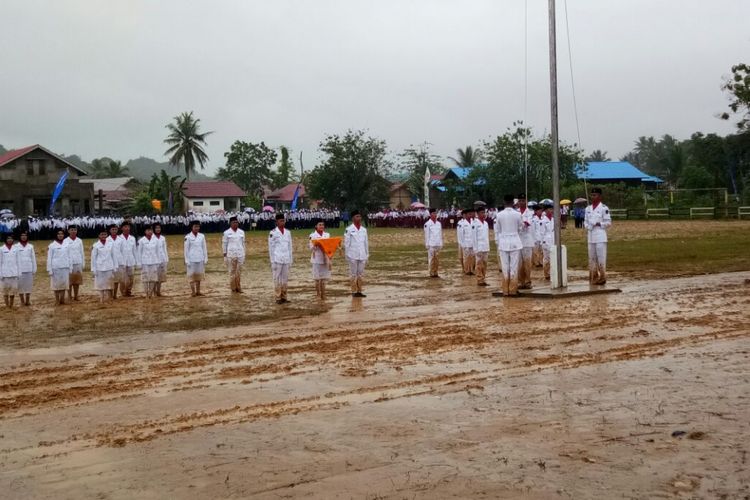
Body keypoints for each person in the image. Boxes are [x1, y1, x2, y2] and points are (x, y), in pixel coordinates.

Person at [495, 194, 524, 296]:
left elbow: (498, 230)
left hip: (503, 242)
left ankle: (505, 290)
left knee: (505, 266)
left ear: (504, 202)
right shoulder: (517, 214)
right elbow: (520, 228)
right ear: (513, 202)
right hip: (515, 241)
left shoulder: (499, 215)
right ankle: (513, 289)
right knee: (514, 266)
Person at [584, 187, 612, 285]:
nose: (593, 197)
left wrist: (598, 223)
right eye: (592, 195)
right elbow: (585, 222)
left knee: (601, 257)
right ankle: (593, 276)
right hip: (591, 236)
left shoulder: (604, 208)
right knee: (591, 257)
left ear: (599, 196)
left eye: (595, 195)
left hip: (600, 236)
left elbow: (608, 222)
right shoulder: (588, 209)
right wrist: (589, 226)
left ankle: (603, 276)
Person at [269, 213, 293, 304]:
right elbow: (271, 248)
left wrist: (291, 259)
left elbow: (290, 247)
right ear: (276, 222)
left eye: (283, 220)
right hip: (277, 259)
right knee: (277, 278)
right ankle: (278, 297)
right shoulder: (273, 233)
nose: (283, 222)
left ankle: (284, 296)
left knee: (285, 279)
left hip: (286, 258)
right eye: (281, 221)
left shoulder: (288, 232)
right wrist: (272, 261)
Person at [344, 210, 369, 297]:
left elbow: (366, 243)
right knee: (353, 273)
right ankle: (354, 291)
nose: (359, 218)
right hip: (352, 255)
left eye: (359, 216)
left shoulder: (364, 229)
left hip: (362, 254)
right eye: (357, 216)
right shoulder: (349, 229)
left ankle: (359, 291)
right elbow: (347, 243)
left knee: (360, 273)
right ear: (353, 218)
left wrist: (367, 255)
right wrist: (347, 255)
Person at [91, 229, 118, 302]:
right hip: (99, 267)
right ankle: (101, 298)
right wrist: (93, 269)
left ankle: (107, 298)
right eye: (101, 234)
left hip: (109, 266)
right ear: (99, 236)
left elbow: (113, 256)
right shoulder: (95, 245)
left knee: (108, 283)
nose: (103, 236)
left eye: (105, 234)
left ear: (107, 235)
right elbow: (93, 258)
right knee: (101, 283)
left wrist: (115, 267)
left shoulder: (111, 244)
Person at [47, 229, 72, 305]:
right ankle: (57, 300)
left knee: (64, 284)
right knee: (56, 285)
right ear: (56, 235)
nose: (60, 235)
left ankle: (62, 299)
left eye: (61, 234)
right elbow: (49, 258)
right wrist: (50, 269)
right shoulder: (52, 245)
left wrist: (70, 267)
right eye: (58, 234)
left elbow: (70, 257)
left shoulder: (67, 244)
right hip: (56, 268)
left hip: (65, 267)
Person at [184, 220, 208, 297]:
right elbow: (186, 250)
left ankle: (198, 291)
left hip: (200, 258)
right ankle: (193, 292)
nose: (197, 228)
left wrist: (205, 257)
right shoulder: (187, 237)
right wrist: (186, 260)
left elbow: (204, 247)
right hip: (191, 259)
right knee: (191, 276)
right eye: (195, 226)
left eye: (198, 226)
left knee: (198, 275)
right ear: (192, 227)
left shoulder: (202, 236)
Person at [222, 216, 246, 293]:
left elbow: (243, 243)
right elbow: (224, 244)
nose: (235, 224)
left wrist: (244, 253)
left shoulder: (241, 232)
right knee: (232, 272)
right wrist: (224, 255)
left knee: (238, 272)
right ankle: (233, 288)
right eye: (234, 222)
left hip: (240, 254)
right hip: (231, 255)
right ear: (230, 223)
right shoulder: (226, 233)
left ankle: (238, 287)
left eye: (236, 222)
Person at [138, 225, 163, 299]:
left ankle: (150, 293)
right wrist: (139, 263)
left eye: (151, 230)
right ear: (145, 232)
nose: (150, 232)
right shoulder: (141, 240)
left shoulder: (156, 240)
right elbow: (139, 252)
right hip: (144, 262)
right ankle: (146, 293)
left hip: (154, 261)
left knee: (153, 278)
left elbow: (158, 252)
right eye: (148, 230)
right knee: (145, 278)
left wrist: (158, 261)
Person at [308, 220, 331, 300]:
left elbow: (329, 246)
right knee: (317, 278)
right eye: (320, 225)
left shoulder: (327, 235)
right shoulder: (312, 235)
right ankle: (318, 294)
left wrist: (329, 257)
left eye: (323, 225)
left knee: (324, 278)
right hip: (316, 258)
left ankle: (324, 294)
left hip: (325, 258)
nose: (321, 226)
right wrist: (316, 244)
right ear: (316, 226)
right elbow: (310, 248)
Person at [517, 194, 535, 289]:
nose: (521, 202)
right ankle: (520, 282)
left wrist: (522, 224)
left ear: (526, 202)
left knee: (527, 262)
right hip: (518, 240)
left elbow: (528, 223)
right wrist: (521, 224)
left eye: (523, 200)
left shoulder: (530, 212)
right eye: (520, 201)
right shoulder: (515, 212)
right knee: (519, 263)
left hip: (527, 240)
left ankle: (528, 281)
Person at [63, 224, 85, 301]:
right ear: (68, 231)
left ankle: (76, 296)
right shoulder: (65, 241)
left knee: (77, 281)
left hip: (78, 262)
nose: (73, 231)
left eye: (75, 230)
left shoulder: (79, 240)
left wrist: (83, 263)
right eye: (71, 230)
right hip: (69, 263)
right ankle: (69, 296)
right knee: (69, 281)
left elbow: (82, 252)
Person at [15, 230, 36, 306]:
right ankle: (22, 301)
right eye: (22, 235)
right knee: (20, 285)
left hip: (29, 268)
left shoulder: (30, 246)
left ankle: (28, 300)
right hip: (20, 269)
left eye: (25, 235)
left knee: (28, 285)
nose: (24, 237)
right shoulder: (16, 247)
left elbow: (33, 258)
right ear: (20, 237)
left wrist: (34, 269)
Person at [118, 222, 138, 297]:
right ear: (122, 228)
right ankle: (123, 292)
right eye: (125, 227)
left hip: (131, 260)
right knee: (122, 279)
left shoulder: (132, 238)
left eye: (128, 227)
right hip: (122, 261)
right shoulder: (119, 238)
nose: (127, 228)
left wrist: (136, 261)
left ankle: (128, 291)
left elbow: (134, 250)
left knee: (131, 277)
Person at [472, 206, 490, 286]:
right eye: (482, 212)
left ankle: (483, 278)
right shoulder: (475, 223)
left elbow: (487, 236)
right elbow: (474, 237)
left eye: (484, 212)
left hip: (485, 246)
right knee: (479, 264)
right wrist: (475, 249)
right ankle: (480, 279)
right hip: (479, 247)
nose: (484, 214)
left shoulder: (486, 223)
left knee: (485, 264)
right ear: (478, 214)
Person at [1, 233, 20, 308]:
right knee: (5, 291)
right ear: (5, 239)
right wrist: (0, 274)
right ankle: (7, 306)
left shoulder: (16, 249)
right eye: (8, 238)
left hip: (14, 273)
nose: (10, 240)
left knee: (13, 290)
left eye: (11, 238)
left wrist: (18, 273)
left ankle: (11, 305)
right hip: (4, 273)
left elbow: (18, 262)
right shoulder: (1, 249)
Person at [423, 208, 443, 278]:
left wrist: (441, 243)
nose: (435, 215)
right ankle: (431, 272)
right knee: (431, 259)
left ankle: (436, 272)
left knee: (437, 259)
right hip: (431, 244)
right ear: (430, 214)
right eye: (433, 213)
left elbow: (440, 234)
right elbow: (427, 235)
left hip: (437, 243)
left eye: (435, 213)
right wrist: (427, 244)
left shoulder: (438, 223)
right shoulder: (427, 224)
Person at [457, 208, 475, 275]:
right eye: (469, 214)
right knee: (466, 257)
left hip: (472, 243)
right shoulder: (462, 223)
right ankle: (467, 270)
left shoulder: (473, 222)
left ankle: (472, 269)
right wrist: (462, 244)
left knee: (472, 257)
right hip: (465, 243)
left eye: (471, 213)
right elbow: (460, 235)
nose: (470, 215)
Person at [153, 222, 168, 296]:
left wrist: (166, 259)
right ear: (153, 229)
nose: (158, 229)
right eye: (156, 228)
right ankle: (153, 291)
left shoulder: (163, 238)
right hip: (154, 260)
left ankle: (158, 291)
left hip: (162, 259)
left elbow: (164, 249)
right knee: (154, 276)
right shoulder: (151, 238)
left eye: (159, 228)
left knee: (160, 276)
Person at [107, 224, 122, 299]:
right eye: (112, 229)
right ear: (110, 230)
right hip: (109, 262)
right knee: (110, 279)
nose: (114, 231)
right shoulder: (106, 239)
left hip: (118, 261)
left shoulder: (120, 239)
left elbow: (122, 251)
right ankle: (110, 294)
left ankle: (115, 295)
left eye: (115, 229)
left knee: (116, 279)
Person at [541, 203, 555, 281]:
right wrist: (543, 242)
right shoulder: (543, 221)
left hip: (552, 240)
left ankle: (552, 273)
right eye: (549, 209)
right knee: (547, 259)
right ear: (546, 210)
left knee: (553, 258)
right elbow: (542, 233)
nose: (551, 210)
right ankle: (547, 274)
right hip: (546, 241)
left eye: (552, 209)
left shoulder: (553, 219)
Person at [531, 203, 544, 268]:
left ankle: (541, 261)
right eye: (539, 211)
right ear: (535, 211)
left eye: (541, 210)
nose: (540, 212)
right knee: (535, 251)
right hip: (536, 237)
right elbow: (533, 230)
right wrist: (534, 239)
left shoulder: (542, 218)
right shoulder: (533, 219)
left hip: (542, 237)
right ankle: (536, 262)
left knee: (541, 251)